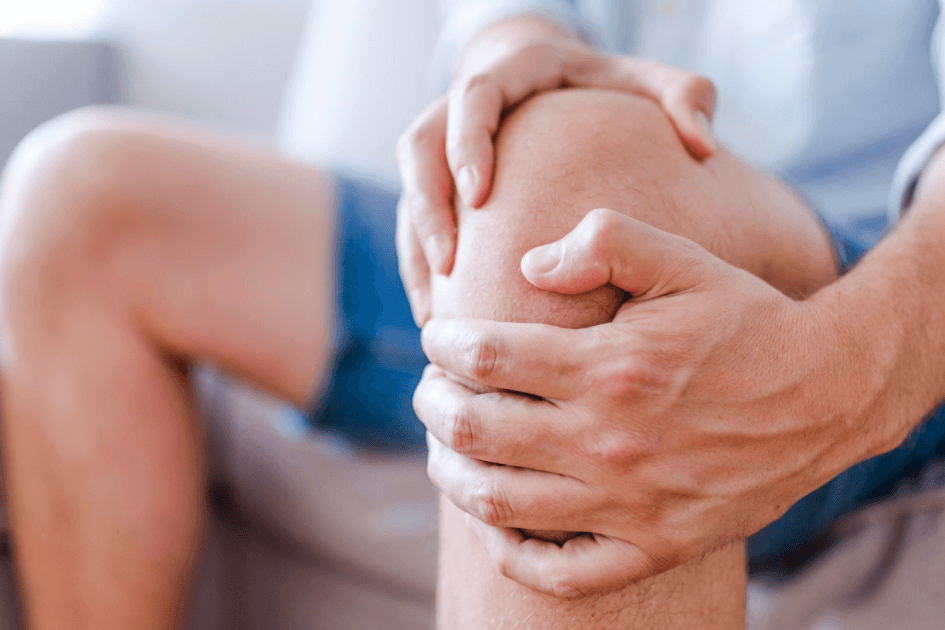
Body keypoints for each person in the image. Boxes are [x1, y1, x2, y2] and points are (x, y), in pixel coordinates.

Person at [0, 48, 778, 630]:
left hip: (820, 259)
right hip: (538, 183)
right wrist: (516, 51)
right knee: (74, 196)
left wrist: (828, 359)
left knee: (569, 224)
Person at [404, 0, 945, 601]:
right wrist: (512, 56)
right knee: (517, 163)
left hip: (894, 256)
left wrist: (842, 369)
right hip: (648, 165)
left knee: (557, 240)